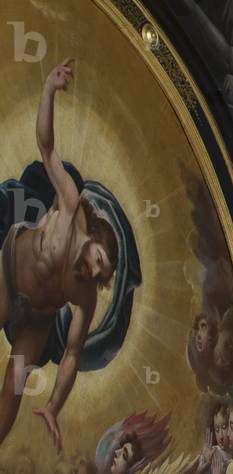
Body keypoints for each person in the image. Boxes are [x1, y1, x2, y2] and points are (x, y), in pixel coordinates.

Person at [0, 58, 119, 451]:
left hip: (35, 322)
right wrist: (49, 91)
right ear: (95, 237)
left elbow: (71, 354)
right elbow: (47, 147)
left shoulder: (84, 294)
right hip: (9, 276)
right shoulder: (70, 204)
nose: (91, 270)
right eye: (98, 259)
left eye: (98, 272)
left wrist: (53, 405)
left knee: (13, 389)